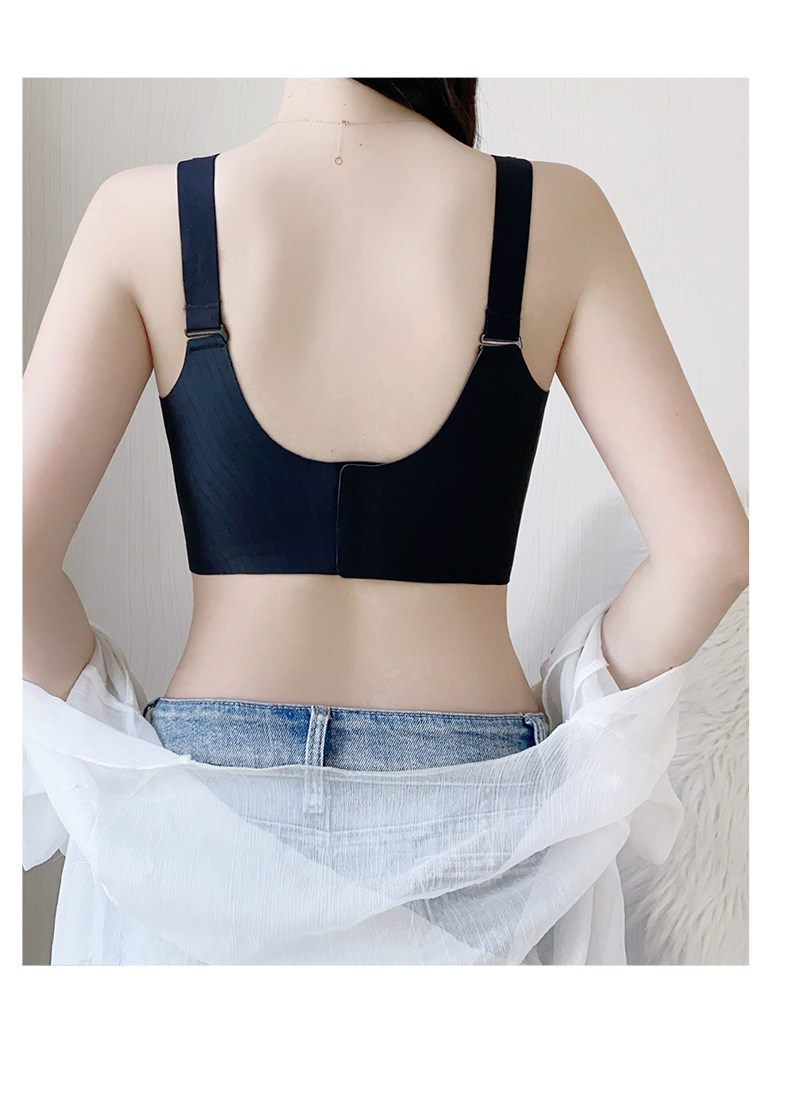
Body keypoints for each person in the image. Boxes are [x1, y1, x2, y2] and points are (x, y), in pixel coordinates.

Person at [22, 78, 748, 965]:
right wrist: (574, 724)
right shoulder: (554, 214)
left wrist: (113, 747)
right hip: (481, 813)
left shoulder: (141, 216)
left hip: (207, 820)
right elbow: (710, 550)